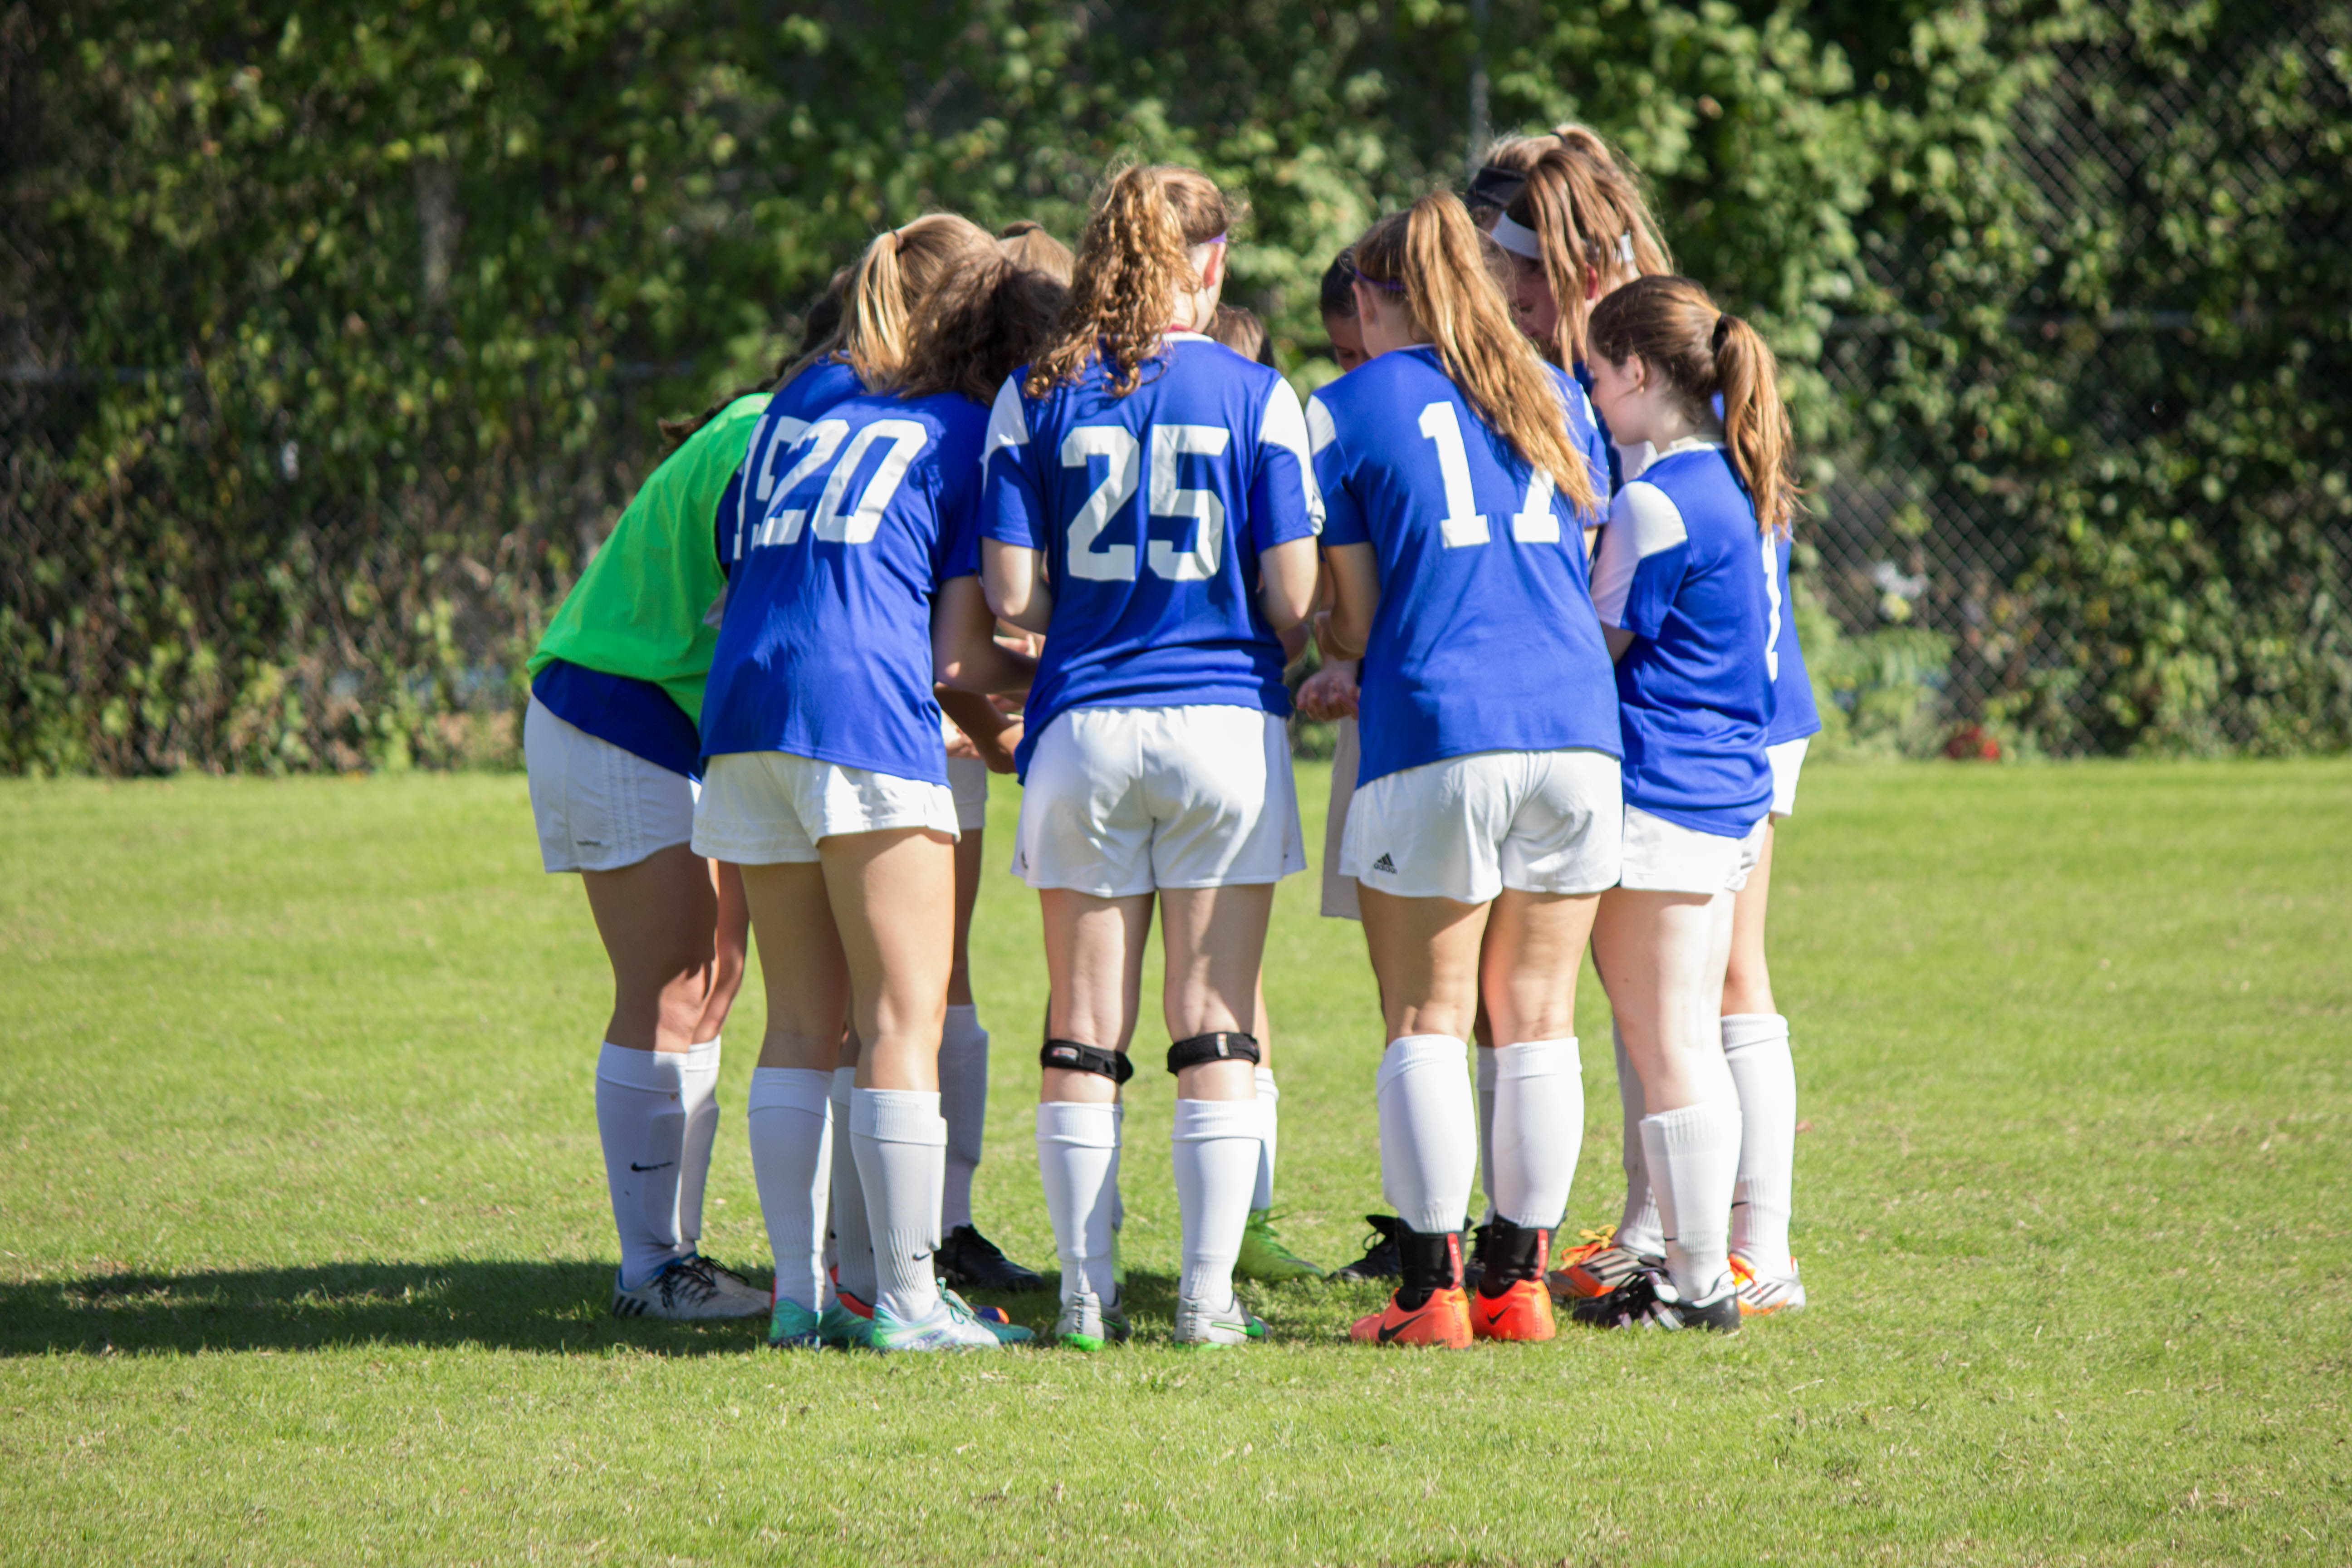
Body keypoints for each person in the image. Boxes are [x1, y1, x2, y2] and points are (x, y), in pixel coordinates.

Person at [980, 163, 1322, 1350]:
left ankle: (1086, 1299)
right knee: (1214, 1020)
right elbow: (1294, 598)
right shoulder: (1259, 392)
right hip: (1224, 722)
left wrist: (1089, 614)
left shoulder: (1033, 392)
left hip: (1083, 724)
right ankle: (1205, 1302)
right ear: (1210, 264)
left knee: (1084, 1025)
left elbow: (1013, 594)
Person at [697, 230, 1057, 1354]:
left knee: (802, 1023)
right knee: (902, 1018)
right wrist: (1073, 670)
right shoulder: (968, 428)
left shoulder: (802, 396)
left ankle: (802, 1297)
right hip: (860, 713)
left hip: (746, 706)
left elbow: (735, 549)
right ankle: (905, 1299)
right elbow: (960, 649)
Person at [1312, 193, 1617, 1348]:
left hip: (1441, 724)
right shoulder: (1558, 391)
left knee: (1427, 1016)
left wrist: (1335, 642)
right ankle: (1517, 1285)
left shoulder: (1346, 403)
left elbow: (1354, 617)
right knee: (1537, 1018)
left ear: (1372, 297)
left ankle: (1429, 1293)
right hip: (1579, 725)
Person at [1569, 274, 1796, 1334]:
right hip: (1721, 789)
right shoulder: (1736, 481)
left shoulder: (1657, 500)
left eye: (1598, 374)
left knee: (1668, 1044)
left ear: (1639, 371)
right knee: (1686, 1037)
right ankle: (1693, 1272)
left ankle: (1699, 1285)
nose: (1591, 393)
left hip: (1664, 791)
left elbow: (1597, 644)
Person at [523, 382, 771, 1323]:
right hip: (617, 710)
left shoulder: (770, 422)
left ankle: (677, 1257)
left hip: (662, 717)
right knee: (671, 986)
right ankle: (653, 1268)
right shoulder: (765, 436)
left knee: (714, 979)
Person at [1717, 536, 1823, 1315]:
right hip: (1745, 700)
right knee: (1697, 974)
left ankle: (1761, 1253)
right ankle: (1660, 1235)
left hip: (1731, 710)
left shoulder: (1686, 471)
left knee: (1725, 972)